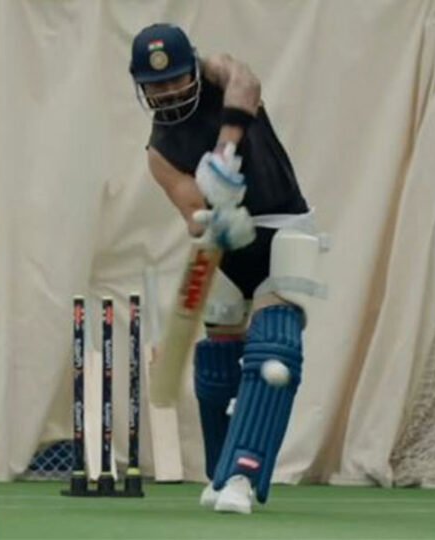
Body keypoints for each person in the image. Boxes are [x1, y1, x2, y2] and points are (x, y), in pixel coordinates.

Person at [129, 23, 327, 514]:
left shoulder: (219, 73)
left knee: (275, 348)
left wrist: (225, 152)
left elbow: (247, 84)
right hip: (227, 245)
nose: (167, 91)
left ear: (193, 69)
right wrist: (216, 219)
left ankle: (242, 474)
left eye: (175, 78)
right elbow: (191, 211)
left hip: (284, 225)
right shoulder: (159, 153)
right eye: (155, 84)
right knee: (218, 362)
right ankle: (219, 472)